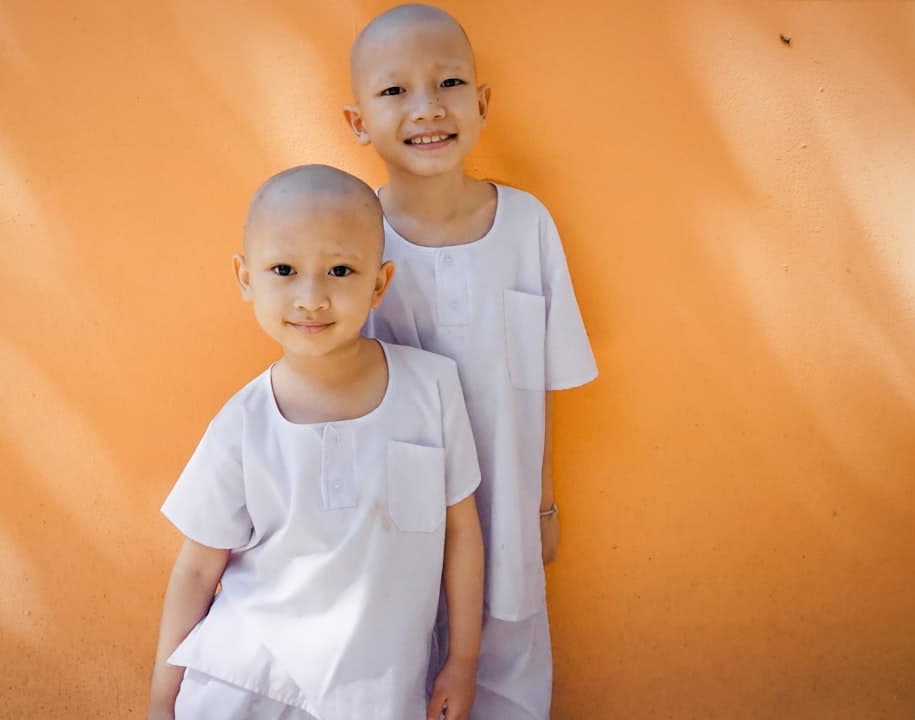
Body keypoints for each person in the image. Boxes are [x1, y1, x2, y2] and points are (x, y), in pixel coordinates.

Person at [147, 164, 485, 720]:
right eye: (283, 268)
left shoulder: (434, 388)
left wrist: (463, 661)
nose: (311, 297)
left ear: (379, 283)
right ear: (245, 277)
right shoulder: (244, 424)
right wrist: (163, 698)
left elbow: (462, 533)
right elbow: (197, 569)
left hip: (377, 696)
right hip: (245, 689)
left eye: (340, 270)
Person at [344, 6, 599, 718]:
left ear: (482, 105)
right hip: (397, 524)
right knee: (403, 675)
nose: (427, 107)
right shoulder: (356, 232)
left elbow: (545, 381)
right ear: (357, 120)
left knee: (508, 680)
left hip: (509, 512)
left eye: (449, 82)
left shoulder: (527, 226)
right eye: (394, 91)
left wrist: (544, 503)